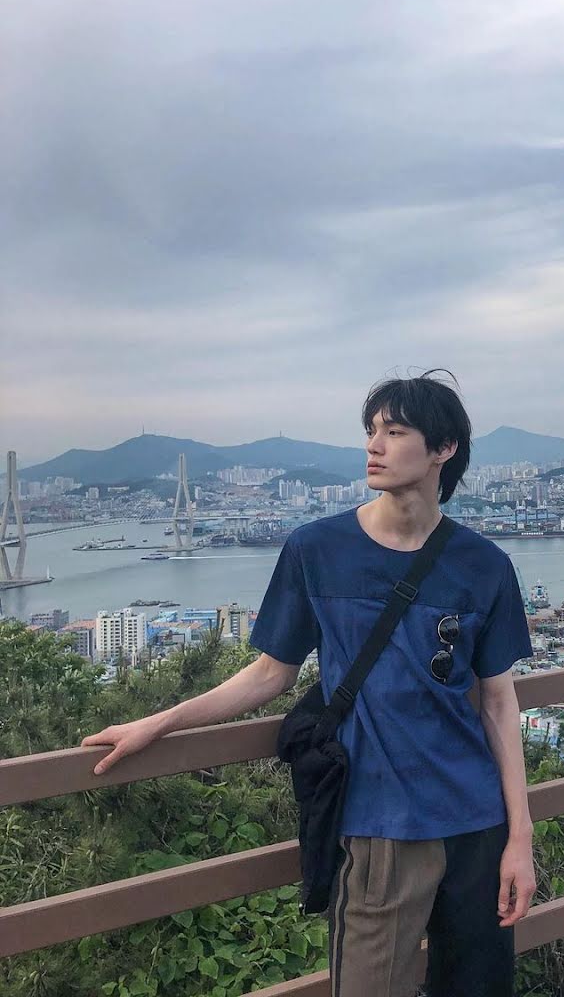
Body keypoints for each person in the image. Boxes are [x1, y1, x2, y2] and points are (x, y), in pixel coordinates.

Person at [81, 370, 537, 997]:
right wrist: (158, 723)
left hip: (476, 825)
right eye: (371, 430)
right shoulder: (317, 549)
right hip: (378, 825)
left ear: (444, 449)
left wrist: (519, 837)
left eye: (394, 432)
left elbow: (499, 703)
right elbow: (270, 674)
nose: (373, 445)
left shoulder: (484, 566)